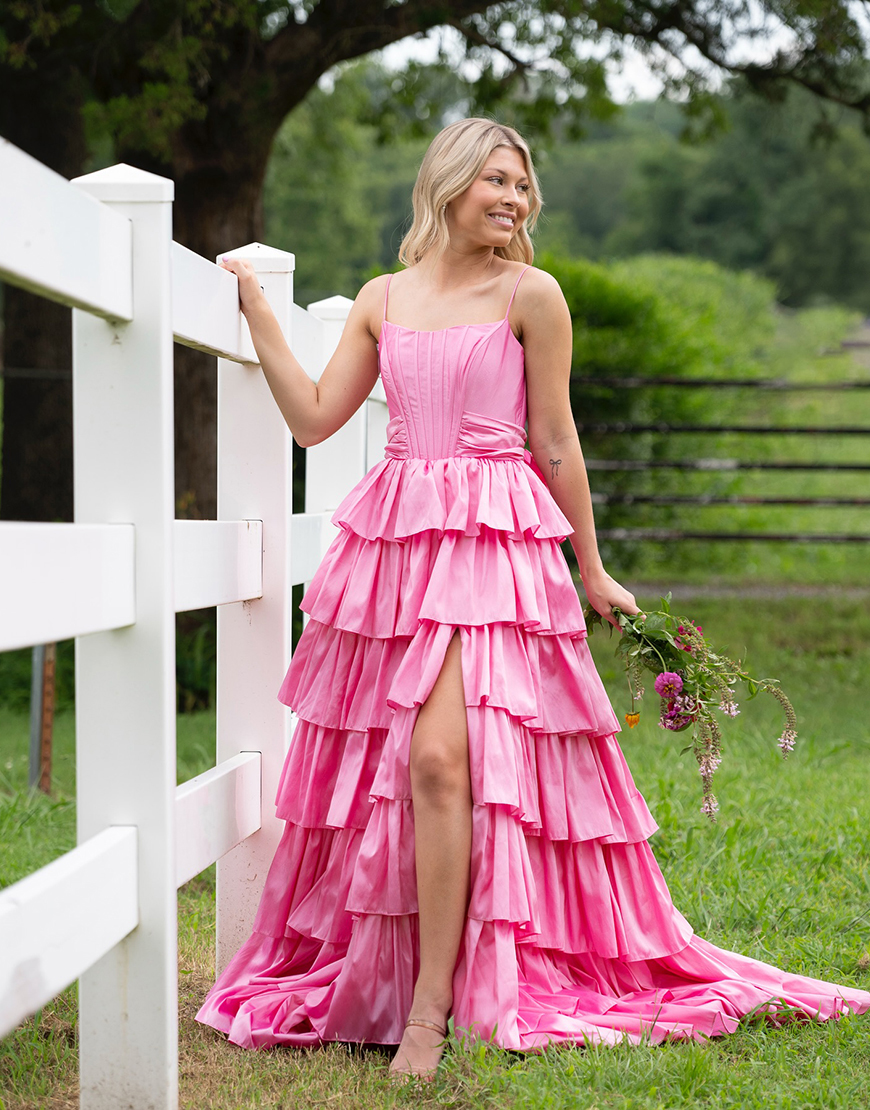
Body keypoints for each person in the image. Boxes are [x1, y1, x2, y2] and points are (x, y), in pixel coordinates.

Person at [197, 118, 870, 1079]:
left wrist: (592, 571)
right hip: (396, 545)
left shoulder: (532, 294)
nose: (514, 200)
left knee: (437, 759)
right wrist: (258, 309)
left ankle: (428, 1013)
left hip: (495, 545)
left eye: (523, 186)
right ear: (451, 183)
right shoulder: (384, 300)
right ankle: (404, 978)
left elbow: (555, 438)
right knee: (406, 771)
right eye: (497, 182)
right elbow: (313, 419)